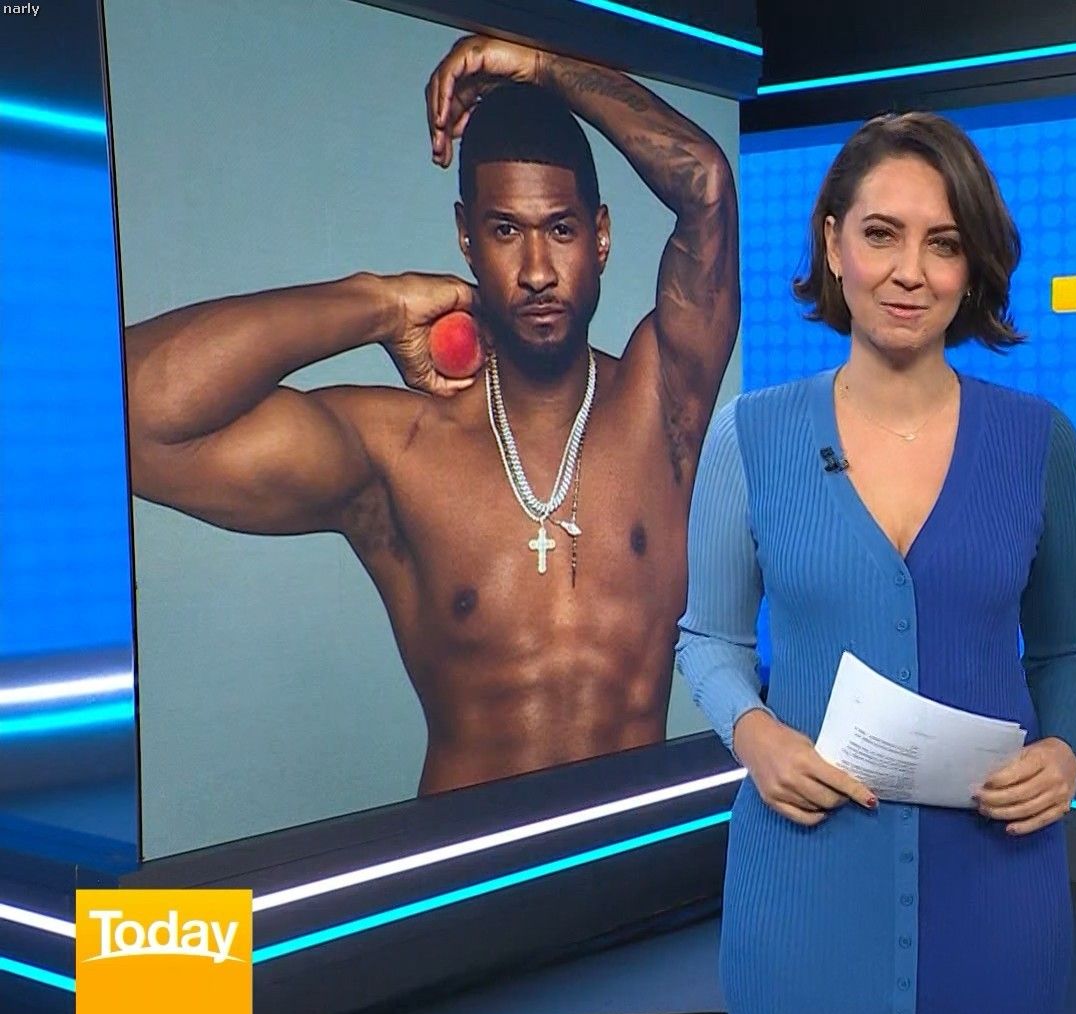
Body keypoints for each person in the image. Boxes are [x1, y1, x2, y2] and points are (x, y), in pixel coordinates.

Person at [123, 35, 738, 795]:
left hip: (629, 852)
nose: (537, 270)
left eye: (561, 229)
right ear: (466, 240)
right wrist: (375, 304)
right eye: (506, 231)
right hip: (464, 861)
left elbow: (705, 185)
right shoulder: (401, 454)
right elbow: (135, 416)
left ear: (601, 236)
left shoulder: (661, 403)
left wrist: (541, 65)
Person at [675, 112, 1076, 1014]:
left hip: (997, 881)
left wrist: (1066, 752)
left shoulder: (1039, 443)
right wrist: (756, 736)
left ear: (972, 266)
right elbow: (709, 639)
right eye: (882, 234)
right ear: (833, 244)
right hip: (806, 876)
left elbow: (1068, 653)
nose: (911, 272)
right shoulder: (751, 436)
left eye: (943, 244)